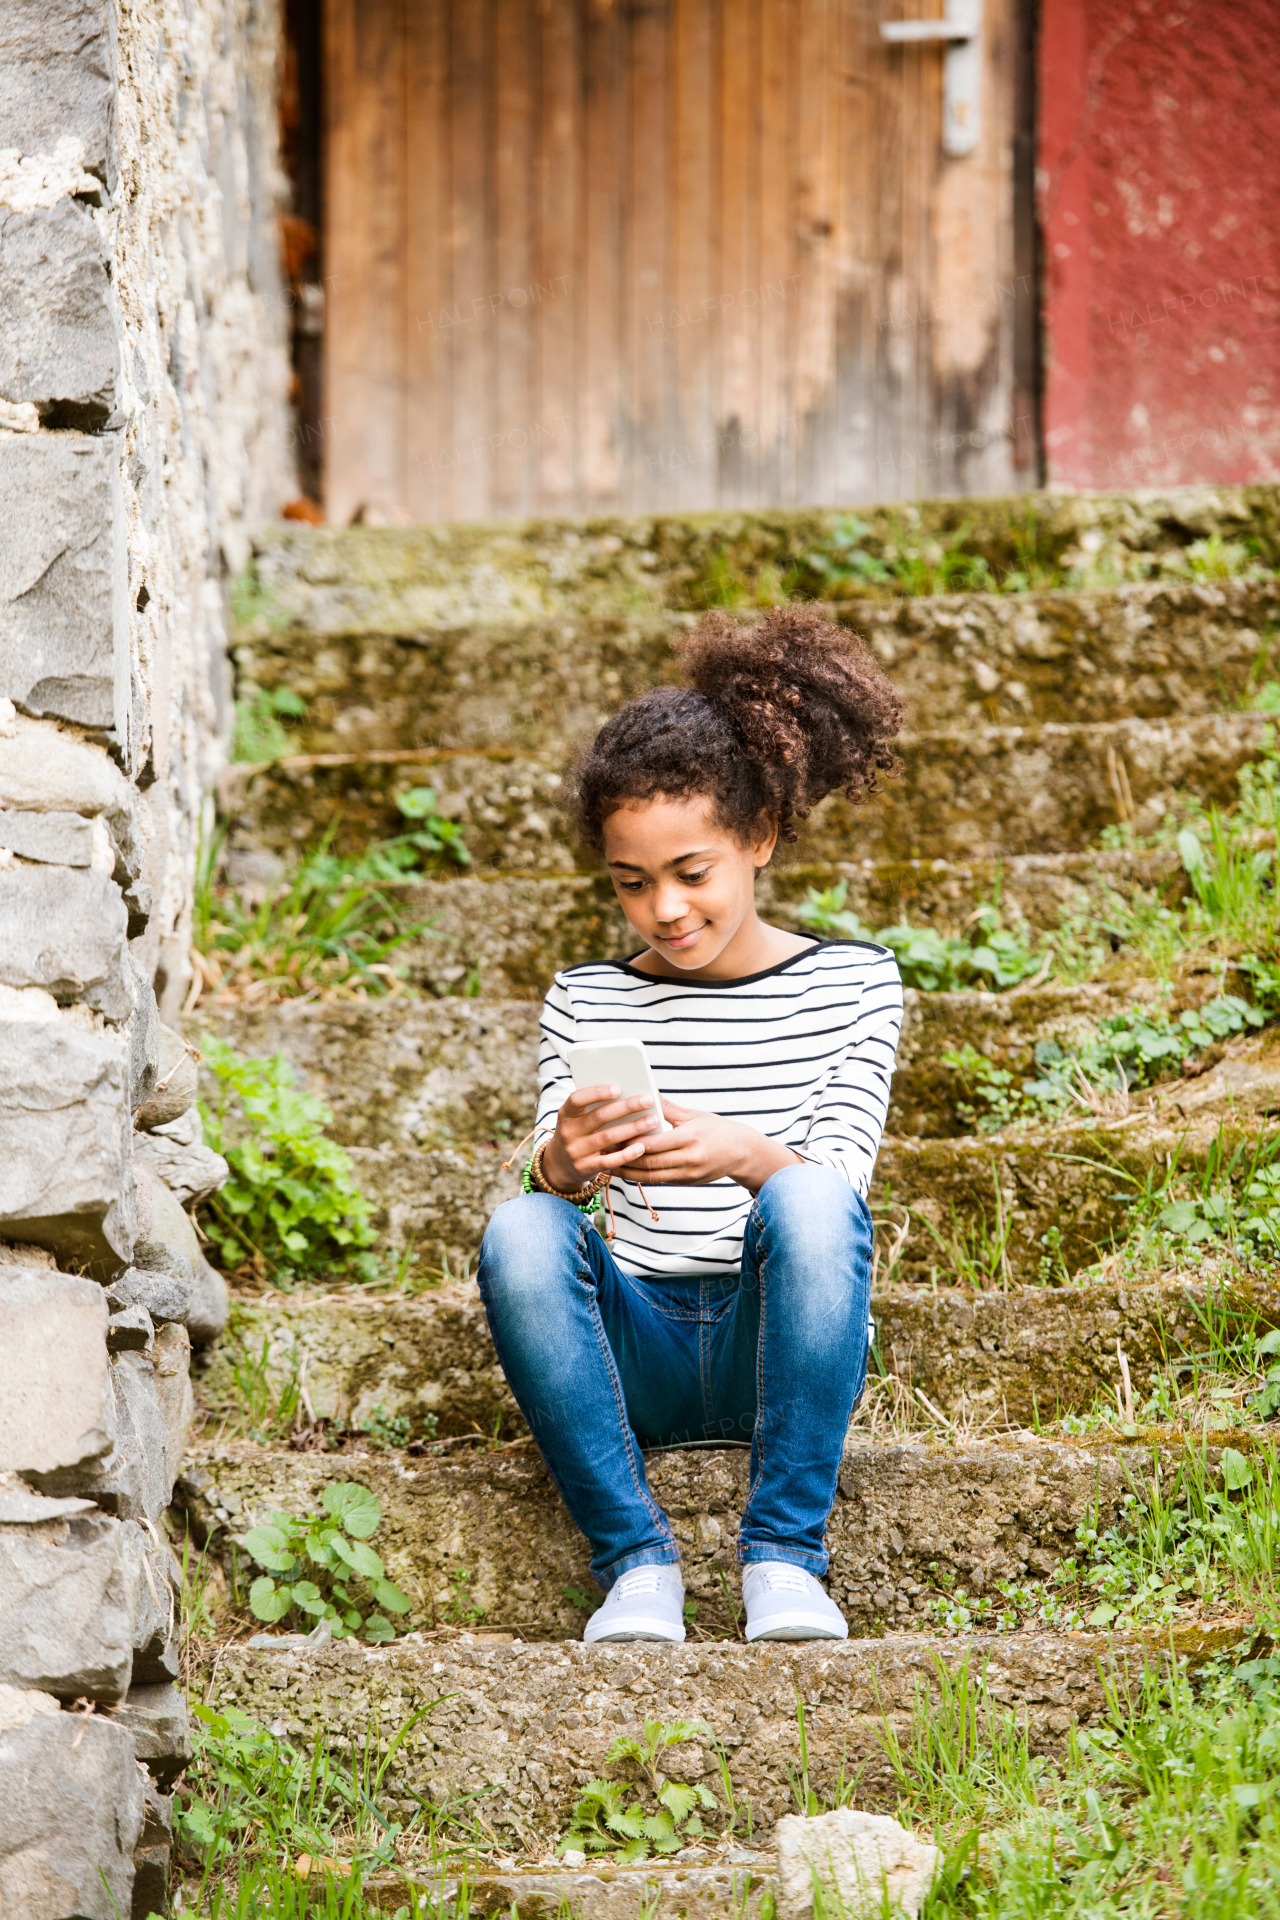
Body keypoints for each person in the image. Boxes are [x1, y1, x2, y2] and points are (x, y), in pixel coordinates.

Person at [477, 604, 904, 1643]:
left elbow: (837, 1184)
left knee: (803, 1193)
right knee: (517, 1227)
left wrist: (741, 1157)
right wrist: (564, 1164)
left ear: (755, 839)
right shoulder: (586, 997)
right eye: (630, 884)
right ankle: (634, 1564)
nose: (663, 911)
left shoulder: (854, 983)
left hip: (783, 1339)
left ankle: (783, 1558)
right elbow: (552, 1186)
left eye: (689, 874)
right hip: (638, 1348)